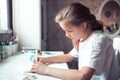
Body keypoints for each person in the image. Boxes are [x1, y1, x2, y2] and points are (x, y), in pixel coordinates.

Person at [31, 3, 120, 80]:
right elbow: (69, 56)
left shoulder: (97, 41)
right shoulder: (83, 37)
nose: (66, 35)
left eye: (69, 31)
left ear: (83, 25)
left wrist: (45, 70)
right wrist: (45, 60)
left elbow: (83, 76)